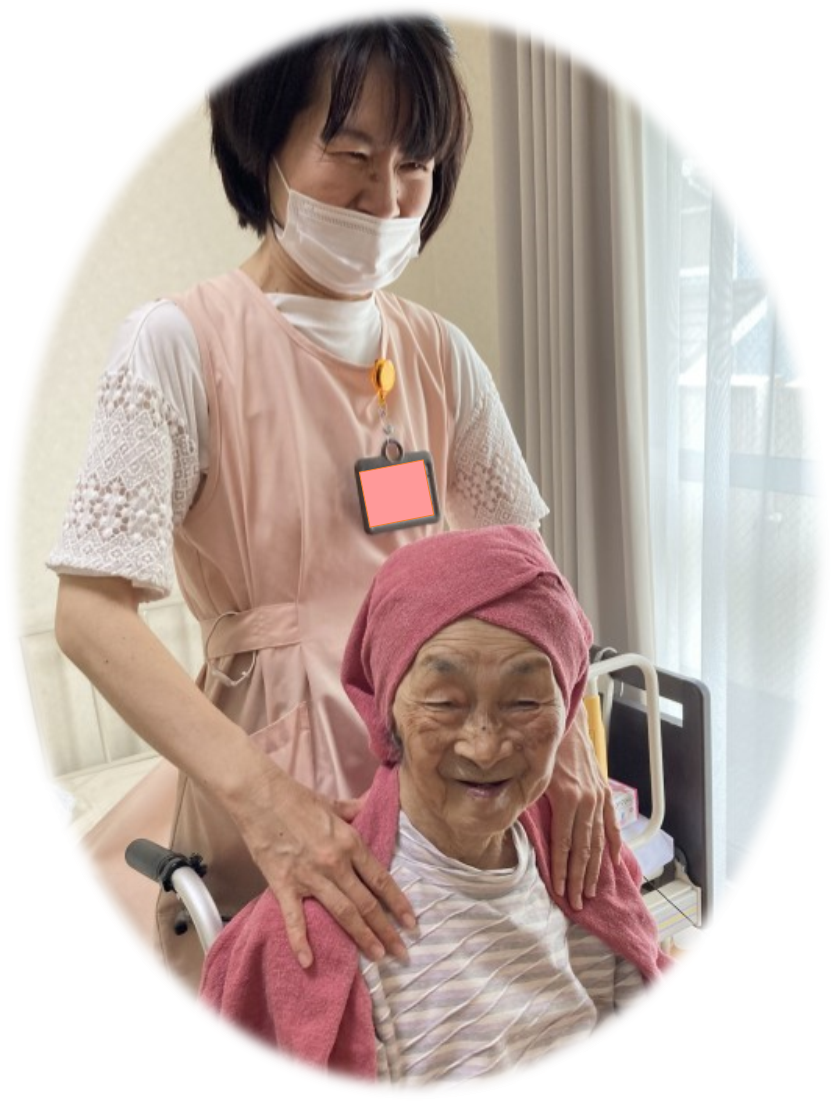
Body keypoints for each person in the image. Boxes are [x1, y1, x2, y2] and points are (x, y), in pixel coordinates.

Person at [48, 8, 617, 1009]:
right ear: (262, 142)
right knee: (319, 1019)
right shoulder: (178, 344)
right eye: (352, 154)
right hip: (277, 759)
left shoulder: (439, 353)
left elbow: (528, 576)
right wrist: (263, 800)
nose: (387, 198)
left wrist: (569, 739)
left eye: (416, 164)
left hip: (447, 745)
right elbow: (89, 614)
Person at [195, 526, 680, 1092]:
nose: (484, 747)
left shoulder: (579, 855)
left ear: (568, 708)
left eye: (525, 702)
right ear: (387, 710)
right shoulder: (326, 935)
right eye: (445, 704)